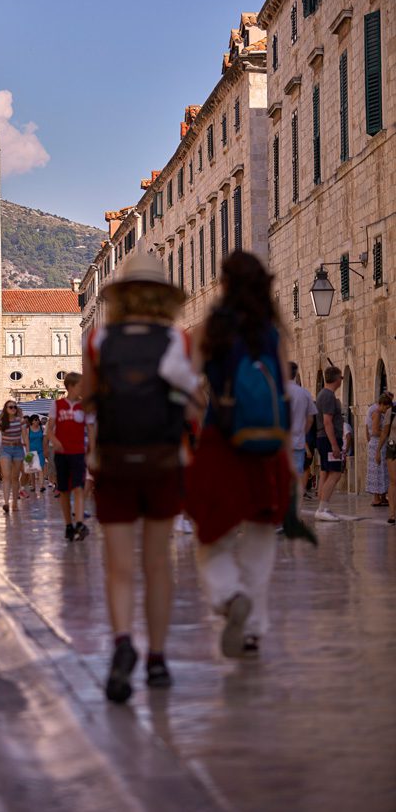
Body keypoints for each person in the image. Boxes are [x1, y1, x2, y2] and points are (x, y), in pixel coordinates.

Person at [83, 254, 197, 702]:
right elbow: (187, 399)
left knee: (119, 565)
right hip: (164, 461)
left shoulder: (98, 341)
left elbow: (90, 401)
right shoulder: (176, 340)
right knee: (157, 563)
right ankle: (158, 660)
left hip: (114, 461)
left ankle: (123, 643)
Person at [187, 251, 292, 659]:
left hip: (222, 439)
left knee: (212, 536)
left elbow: (181, 380)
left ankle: (229, 595)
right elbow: (280, 390)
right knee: (261, 539)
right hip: (267, 443)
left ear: (224, 285)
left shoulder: (210, 329)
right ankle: (253, 629)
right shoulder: (272, 330)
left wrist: (200, 410)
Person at [46, 373, 92, 542]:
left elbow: (91, 428)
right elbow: (49, 429)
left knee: (79, 487)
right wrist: (54, 441)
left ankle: (79, 522)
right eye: (80, 385)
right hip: (62, 453)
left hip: (78, 452)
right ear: (71, 386)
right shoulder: (57, 405)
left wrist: (92, 449)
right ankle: (68, 525)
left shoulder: (84, 406)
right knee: (64, 490)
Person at [315, 366, 345, 522]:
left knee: (328, 472)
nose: (342, 380)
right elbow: (327, 422)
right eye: (341, 377)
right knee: (335, 473)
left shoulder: (325, 394)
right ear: (336, 378)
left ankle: (324, 507)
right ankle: (322, 508)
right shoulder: (327, 396)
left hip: (325, 439)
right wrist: (334, 445)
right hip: (328, 439)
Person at [0, 402, 28, 513]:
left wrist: (28, 452)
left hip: (18, 450)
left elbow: (25, 437)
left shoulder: (21, 421)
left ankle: (14, 502)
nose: (13, 409)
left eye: (15, 407)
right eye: (10, 407)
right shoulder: (0, 422)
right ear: (6, 409)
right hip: (5, 450)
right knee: (6, 476)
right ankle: (6, 502)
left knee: (15, 477)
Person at [287, 362, 317, 496]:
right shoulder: (304, 393)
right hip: (298, 442)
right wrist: (301, 433)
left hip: (281, 443)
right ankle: (296, 512)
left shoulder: (275, 390)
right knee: (297, 478)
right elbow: (310, 419)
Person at [366, 394, 391, 506]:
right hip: (376, 444)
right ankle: (376, 498)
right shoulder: (376, 413)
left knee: (382, 470)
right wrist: (387, 434)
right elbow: (375, 431)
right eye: (385, 407)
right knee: (377, 470)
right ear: (381, 404)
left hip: (379, 444)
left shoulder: (380, 414)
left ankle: (383, 496)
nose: (386, 410)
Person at [376, 401, 396, 524]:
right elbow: (384, 432)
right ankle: (393, 514)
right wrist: (378, 450)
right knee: (394, 480)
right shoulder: (392, 411)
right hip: (393, 448)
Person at [27, 414, 46, 493]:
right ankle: (33, 486)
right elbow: (26, 441)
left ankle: (41, 486)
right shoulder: (28, 430)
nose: (37, 421)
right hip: (30, 451)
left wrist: (45, 449)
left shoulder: (42, 428)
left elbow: (45, 440)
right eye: (35, 420)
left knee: (41, 468)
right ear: (31, 421)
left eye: (38, 419)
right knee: (32, 470)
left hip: (41, 451)